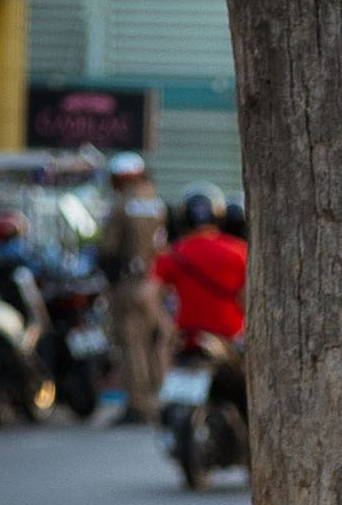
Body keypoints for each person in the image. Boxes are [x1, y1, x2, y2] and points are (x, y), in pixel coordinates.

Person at [93, 152, 169, 424]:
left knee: (131, 344)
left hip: (128, 284)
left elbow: (109, 247)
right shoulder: (156, 202)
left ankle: (138, 405)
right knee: (154, 343)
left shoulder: (122, 204)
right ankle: (159, 400)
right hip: (154, 283)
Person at [156, 190, 248, 347]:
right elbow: (246, 296)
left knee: (162, 350)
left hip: (186, 338)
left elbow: (149, 292)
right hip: (230, 337)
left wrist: (166, 326)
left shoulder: (173, 253)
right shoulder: (240, 251)